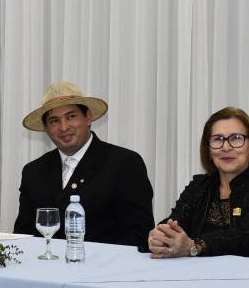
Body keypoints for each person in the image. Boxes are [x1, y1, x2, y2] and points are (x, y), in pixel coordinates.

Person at [13, 80, 154, 246]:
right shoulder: (34, 171)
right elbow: (23, 235)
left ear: (88, 117)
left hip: (108, 261)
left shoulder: (124, 163)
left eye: (71, 116)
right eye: (54, 121)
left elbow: (139, 233)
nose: (64, 127)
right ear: (46, 128)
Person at [141, 107, 249, 259]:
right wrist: (159, 237)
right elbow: (175, 224)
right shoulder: (199, 186)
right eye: (218, 139)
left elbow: (248, 236)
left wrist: (195, 246)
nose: (226, 147)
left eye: (236, 138)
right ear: (209, 151)